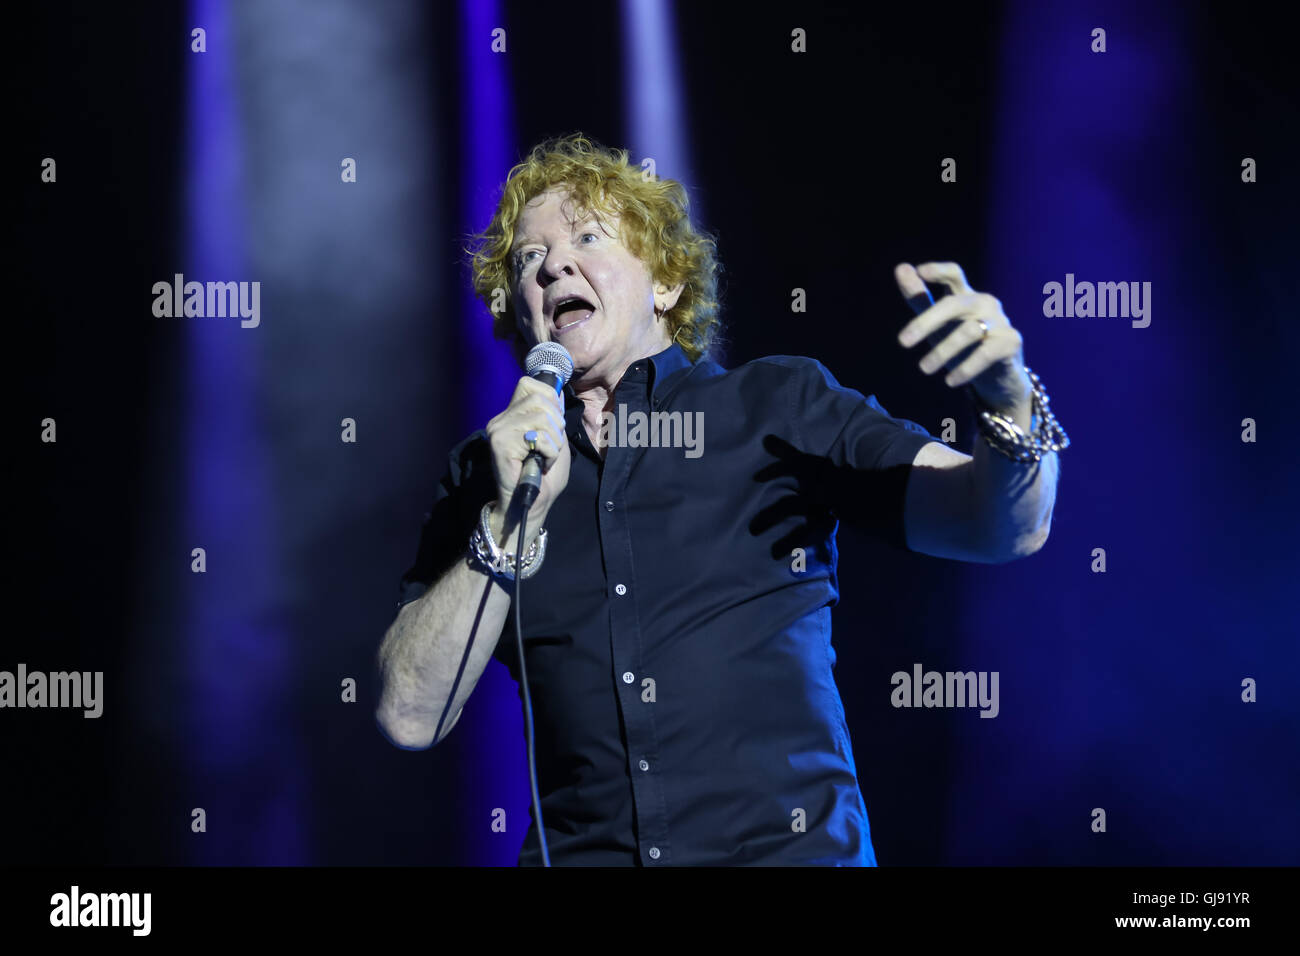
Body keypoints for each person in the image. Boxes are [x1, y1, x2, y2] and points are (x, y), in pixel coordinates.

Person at [375, 133, 1063, 865]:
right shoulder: (489, 474)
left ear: (666, 284)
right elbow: (410, 714)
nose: (554, 266)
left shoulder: (773, 403)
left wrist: (1011, 403)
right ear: (518, 310)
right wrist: (508, 528)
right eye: (528, 259)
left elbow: (995, 526)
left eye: (587, 237)